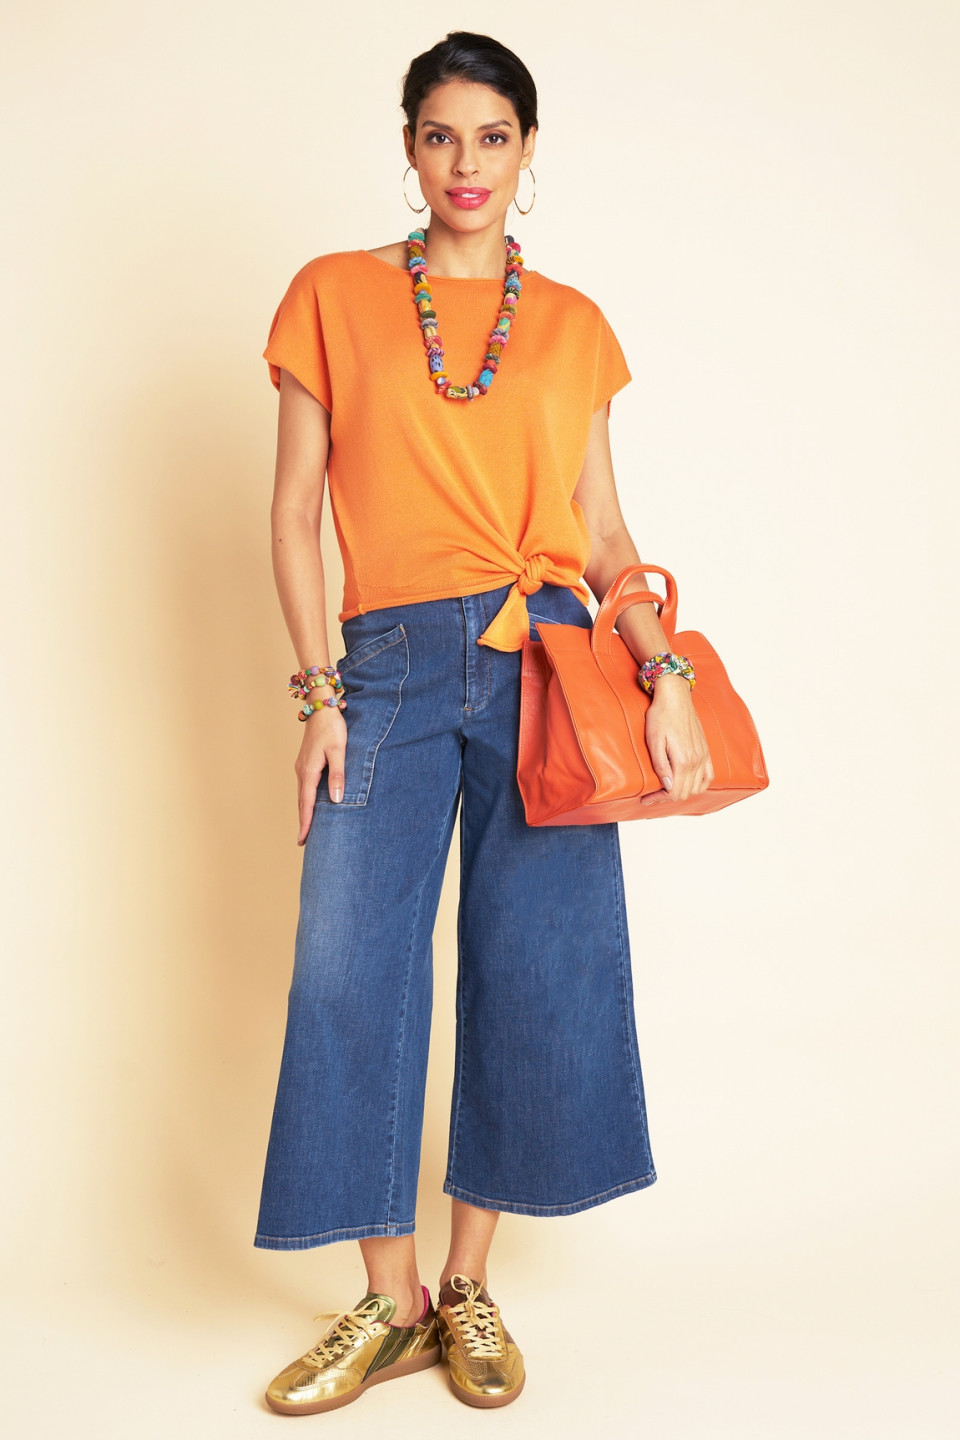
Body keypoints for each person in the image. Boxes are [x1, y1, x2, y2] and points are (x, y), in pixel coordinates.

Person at [253, 29, 713, 1416]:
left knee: (535, 968)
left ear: (527, 151)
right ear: (408, 146)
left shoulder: (570, 325)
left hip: (549, 664)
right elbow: (293, 512)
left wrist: (667, 673)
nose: (467, 163)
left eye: (493, 137)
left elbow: (604, 533)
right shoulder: (333, 296)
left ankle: (464, 1287)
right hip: (386, 665)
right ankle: (387, 1301)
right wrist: (318, 696)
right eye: (441, 135)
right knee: (350, 971)